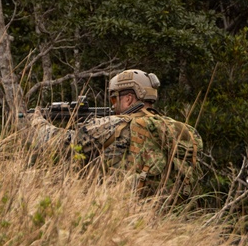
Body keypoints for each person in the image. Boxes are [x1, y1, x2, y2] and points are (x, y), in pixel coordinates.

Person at [24, 69, 203, 200]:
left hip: (130, 215)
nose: (113, 105)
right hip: (172, 217)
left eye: (114, 98)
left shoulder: (116, 124)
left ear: (129, 99)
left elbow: (59, 143)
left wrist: (37, 122)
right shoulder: (175, 128)